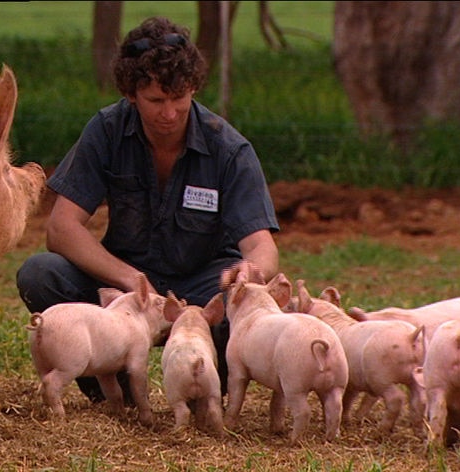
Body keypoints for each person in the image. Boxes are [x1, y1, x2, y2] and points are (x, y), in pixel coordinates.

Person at [16, 16, 279, 403]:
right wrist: (130, 280)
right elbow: (61, 228)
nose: (169, 113)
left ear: (193, 89)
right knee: (41, 274)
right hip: (127, 287)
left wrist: (250, 271)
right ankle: (110, 389)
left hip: (203, 283)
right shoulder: (106, 130)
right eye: (156, 100)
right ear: (131, 94)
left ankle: (204, 392)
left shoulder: (228, 148)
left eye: (179, 99)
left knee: (245, 301)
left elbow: (263, 248)